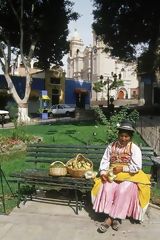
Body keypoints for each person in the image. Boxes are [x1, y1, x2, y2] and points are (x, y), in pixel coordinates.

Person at [91, 120, 151, 233]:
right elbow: (105, 161)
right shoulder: (111, 146)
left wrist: (122, 168)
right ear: (118, 135)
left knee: (124, 189)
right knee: (107, 187)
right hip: (113, 173)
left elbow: (137, 167)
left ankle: (109, 220)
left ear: (130, 137)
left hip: (130, 174)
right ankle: (115, 218)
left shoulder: (134, 148)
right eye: (121, 136)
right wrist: (103, 172)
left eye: (126, 136)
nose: (123, 139)